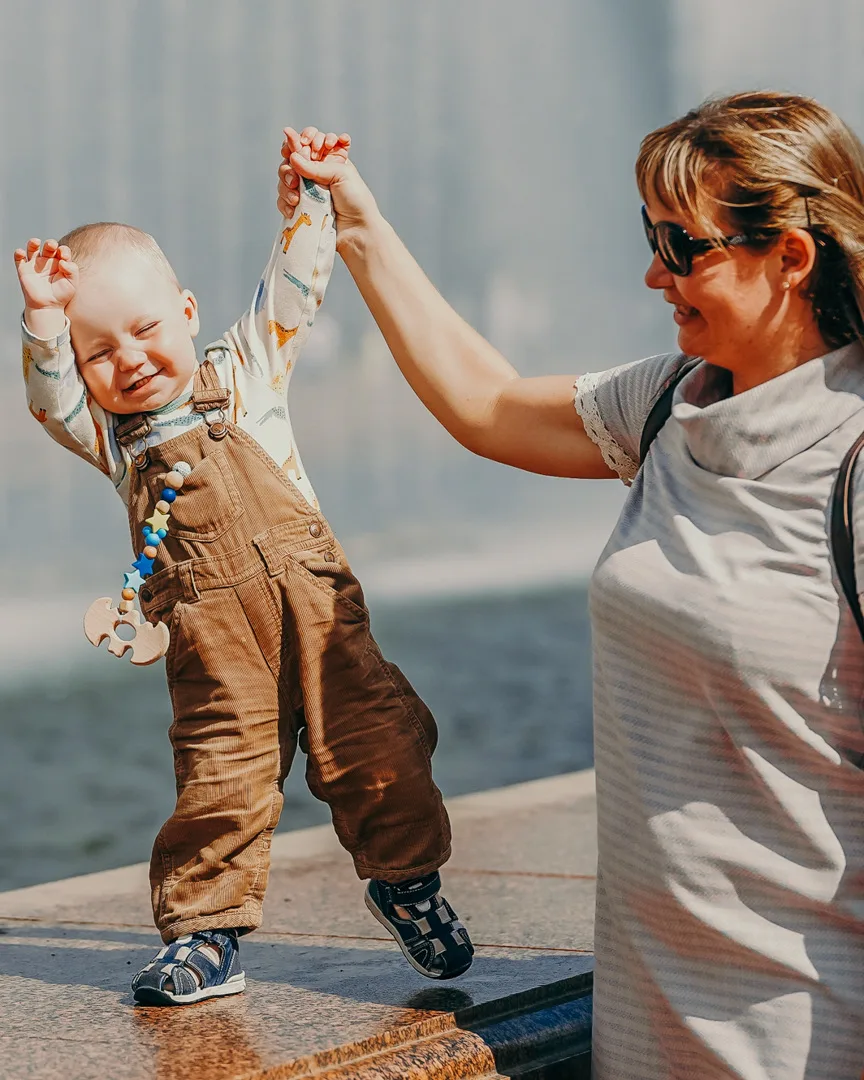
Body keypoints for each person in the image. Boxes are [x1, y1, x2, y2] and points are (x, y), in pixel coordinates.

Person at [278, 93, 864, 1079]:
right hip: (646, 1032)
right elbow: (489, 405)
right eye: (649, 236)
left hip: (804, 1038)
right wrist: (358, 225)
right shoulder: (671, 404)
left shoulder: (853, 459)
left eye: (681, 247)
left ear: (791, 258)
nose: (653, 273)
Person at [15, 132, 473, 1007]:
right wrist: (41, 320)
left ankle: (407, 884)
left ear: (187, 311)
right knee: (218, 787)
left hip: (324, 624)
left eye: (145, 330)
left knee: (383, 754)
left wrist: (309, 202)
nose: (129, 359)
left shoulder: (246, 370)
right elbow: (50, 402)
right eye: (97, 352)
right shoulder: (113, 441)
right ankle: (206, 937)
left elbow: (293, 289)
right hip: (214, 651)